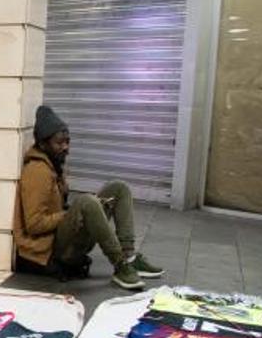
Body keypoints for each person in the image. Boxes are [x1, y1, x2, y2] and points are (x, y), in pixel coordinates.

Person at [13, 105, 165, 291]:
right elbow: (34, 224)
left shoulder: (54, 164)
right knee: (86, 202)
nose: (65, 147)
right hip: (49, 250)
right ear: (43, 144)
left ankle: (129, 257)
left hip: (60, 237)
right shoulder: (37, 171)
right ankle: (120, 265)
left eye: (67, 142)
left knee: (118, 188)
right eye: (59, 143)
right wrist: (68, 215)